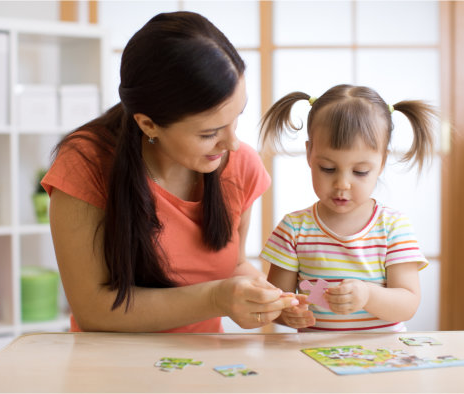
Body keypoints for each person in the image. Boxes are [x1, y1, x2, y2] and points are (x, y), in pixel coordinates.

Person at [41, 11, 297, 333]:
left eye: (237, 117)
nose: (233, 143)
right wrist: (216, 299)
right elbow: (93, 309)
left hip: (207, 366)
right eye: (209, 133)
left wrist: (274, 301)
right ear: (148, 124)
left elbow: (233, 266)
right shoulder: (87, 162)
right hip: (111, 368)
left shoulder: (239, 164)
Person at [259, 84, 437, 332]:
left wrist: (368, 295)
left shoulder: (393, 227)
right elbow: (277, 300)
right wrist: (285, 314)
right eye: (328, 169)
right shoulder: (294, 229)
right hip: (313, 359)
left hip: (384, 360)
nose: (342, 184)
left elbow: (408, 304)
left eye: (360, 172)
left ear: (382, 162)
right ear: (310, 153)